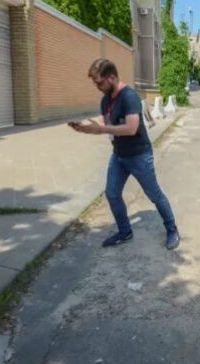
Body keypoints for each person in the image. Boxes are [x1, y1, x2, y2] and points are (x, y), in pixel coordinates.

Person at [70, 58, 180, 251]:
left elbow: (131, 128)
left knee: (154, 194)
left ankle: (172, 229)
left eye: (100, 82)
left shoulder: (129, 96)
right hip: (119, 155)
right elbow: (106, 125)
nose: (97, 87)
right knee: (112, 194)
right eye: (95, 83)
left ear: (112, 77)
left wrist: (102, 129)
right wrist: (87, 128)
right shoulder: (106, 100)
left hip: (139, 155)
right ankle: (125, 231)